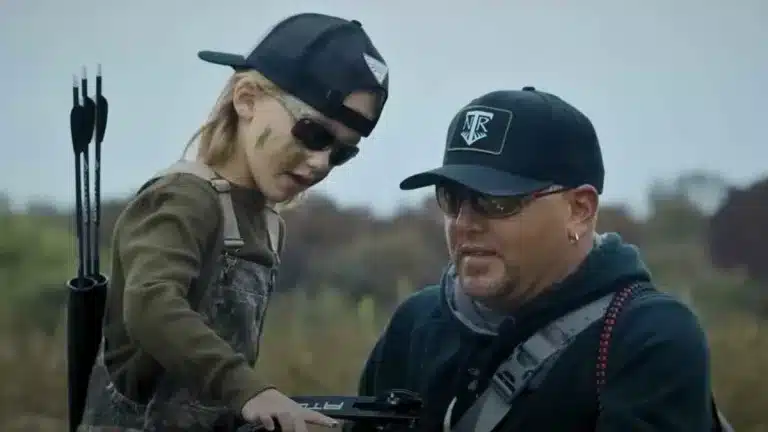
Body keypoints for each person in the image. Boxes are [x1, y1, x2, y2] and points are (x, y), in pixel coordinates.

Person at [77, 12, 390, 432]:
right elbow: (151, 305)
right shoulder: (183, 199)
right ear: (246, 99)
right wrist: (249, 391)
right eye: (313, 133)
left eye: (341, 152)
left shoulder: (268, 224)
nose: (321, 162)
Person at [353, 88, 728, 431]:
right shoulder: (416, 324)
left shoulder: (647, 337)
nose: (464, 223)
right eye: (451, 198)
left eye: (496, 202)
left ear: (579, 210)